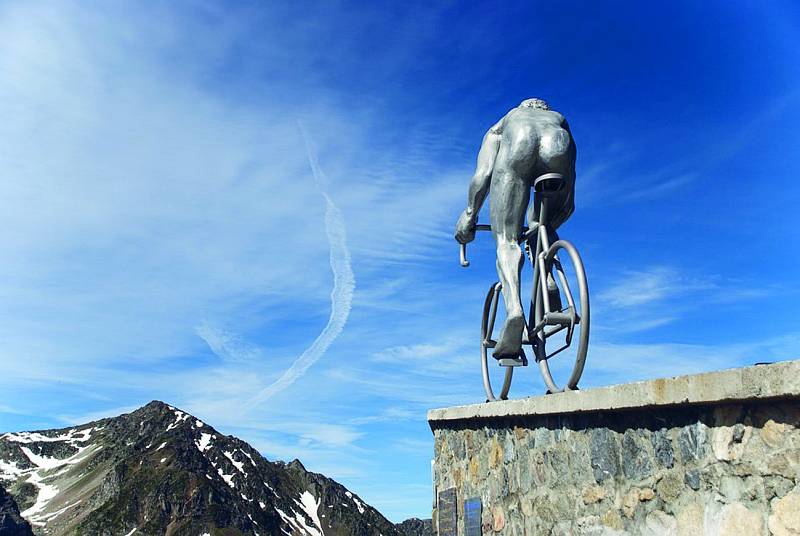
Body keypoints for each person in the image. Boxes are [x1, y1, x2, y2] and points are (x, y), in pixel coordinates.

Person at [455, 98, 576, 360]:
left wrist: (469, 215)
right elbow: (569, 202)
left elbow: (483, 176)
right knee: (539, 225)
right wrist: (547, 226)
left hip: (517, 146)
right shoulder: (559, 119)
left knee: (507, 240)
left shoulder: (503, 124)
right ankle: (547, 275)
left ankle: (514, 311)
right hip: (559, 144)